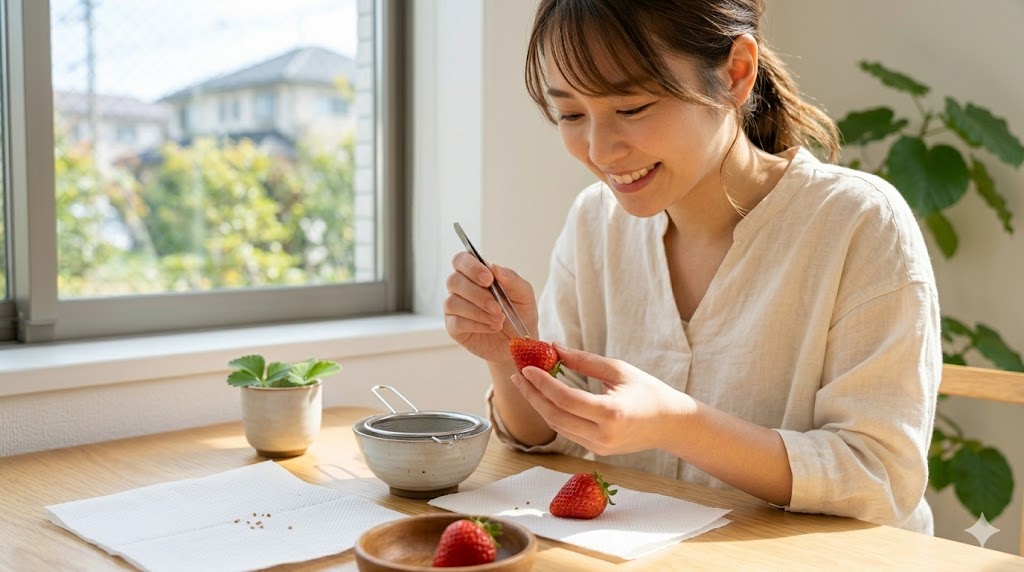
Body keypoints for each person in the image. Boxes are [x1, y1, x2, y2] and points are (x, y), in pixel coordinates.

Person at [443, 0, 941, 534]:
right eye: (571, 114)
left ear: (735, 74)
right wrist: (509, 355)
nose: (600, 150)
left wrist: (677, 424)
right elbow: (552, 436)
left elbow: (879, 477)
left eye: (632, 108)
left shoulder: (859, 223)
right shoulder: (595, 221)